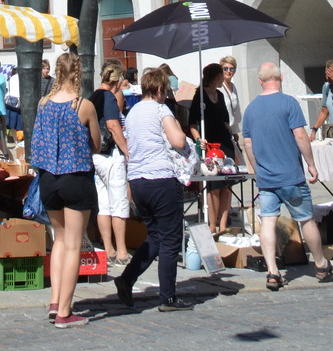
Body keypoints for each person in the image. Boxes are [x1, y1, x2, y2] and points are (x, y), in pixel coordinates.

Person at [241, 61, 333, 292]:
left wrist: (256, 166)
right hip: (291, 175)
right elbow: (300, 135)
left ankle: (272, 271)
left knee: (268, 221)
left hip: (267, 178)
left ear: (260, 81)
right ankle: (320, 264)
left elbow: (247, 142)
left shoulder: (251, 109)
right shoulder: (289, 103)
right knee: (305, 219)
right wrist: (311, 164)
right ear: (280, 79)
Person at [28, 51, 101, 328]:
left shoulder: (43, 103)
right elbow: (95, 143)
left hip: (48, 179)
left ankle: (55, 301)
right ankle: (65, 313)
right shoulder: (83, 105)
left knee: (58, 240)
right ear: (78, 73)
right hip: (75, 178)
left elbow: (37, 143)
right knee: (73, 245)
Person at [113, 66, 192, 312]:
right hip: (160, 179)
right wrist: (177, 127)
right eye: (166, 90)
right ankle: (168, 297)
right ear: (159, 89)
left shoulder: (133, 111)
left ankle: (126, 279)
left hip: (137, 181)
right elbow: (178, 141)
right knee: (170, 240)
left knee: (155, 238)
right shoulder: (161, 110)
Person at [188, 63, 236, 236]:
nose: (224, 76)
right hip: (209, 144)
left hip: (224, 143)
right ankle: (212, 224)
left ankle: (223, 225)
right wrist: (198, 139)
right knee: (213, 186)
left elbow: (224, 118)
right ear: (216, 76)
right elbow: (192, 122)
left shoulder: (221, 95)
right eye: (222, 73)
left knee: (226, 185)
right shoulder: (200, 96)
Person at [90, 61, 130, 266]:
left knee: (103, 204)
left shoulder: (93, 95)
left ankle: (109, 249)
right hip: (110, 154)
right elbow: (113, 125)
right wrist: (126, 150)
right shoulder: (108, 97)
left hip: (96, 154)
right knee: (119, 203)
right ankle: (122, 251)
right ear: (118, 81)